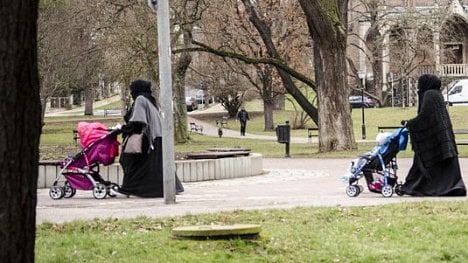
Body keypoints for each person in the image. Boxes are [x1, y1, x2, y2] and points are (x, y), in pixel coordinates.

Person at [400, 74, 466, 196]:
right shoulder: (437, 94)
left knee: (425, 161)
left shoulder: (430, 95)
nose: (418, 88)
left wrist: (411, 123)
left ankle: (418, 187)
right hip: (441, 138)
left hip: (434, 138)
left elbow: (426, 115)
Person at [118, 79, 184, 197]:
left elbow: (138, 121)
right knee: (155, 166)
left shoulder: (140, 99)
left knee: (130, 161)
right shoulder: (150, 100)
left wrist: (124, 129)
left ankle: (132, 188)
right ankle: (168, 187)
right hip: (158, 137)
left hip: (148, 139)